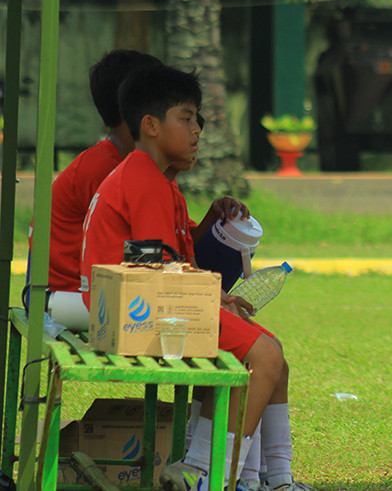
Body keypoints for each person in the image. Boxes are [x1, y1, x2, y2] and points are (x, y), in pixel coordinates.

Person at [80, 64, 307, 491]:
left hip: (138, 306)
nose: (197, 129)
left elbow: (163, 258)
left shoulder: (155, 179)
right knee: (264, 357)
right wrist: (212, 298)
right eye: (185, 118)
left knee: (273, 353)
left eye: (196, 119)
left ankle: (274, 479)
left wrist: (214, 292)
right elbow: (157, 268)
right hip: (138, 315)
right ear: (151, 126)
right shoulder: (144, 179)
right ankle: (207, 475)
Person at [27, 49, 162, 328]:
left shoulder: (133, 165)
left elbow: (169, 242)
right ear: (136, 109)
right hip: (64, 298)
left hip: (83, 293)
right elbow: (145, 254)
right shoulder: (104, 168)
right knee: (175, 310)